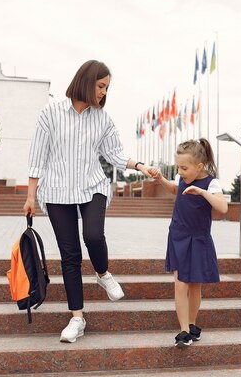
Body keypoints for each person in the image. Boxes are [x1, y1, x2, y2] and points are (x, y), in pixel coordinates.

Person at [24, 60, 153, 343]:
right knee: (70, 256)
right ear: (86, 81)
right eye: (101, 86)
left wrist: (140, 165)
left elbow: (115, 154)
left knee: (93, 236)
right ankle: (77, 318)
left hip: (93, 185)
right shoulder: (51, 113)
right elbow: (37, 156)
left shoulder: (102, 119)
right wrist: (31, 195)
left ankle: (103, 272)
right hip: (57, 192)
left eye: (107, 88)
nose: (104, 93)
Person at [149, 138, 228, 347]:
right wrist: (161, 179)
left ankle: (192, 325)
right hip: (178, 236)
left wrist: (202, 192)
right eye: (179, 167)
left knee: (195, 285)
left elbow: (223, 207)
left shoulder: (211, 183)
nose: (181, 171)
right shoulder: (182, 177)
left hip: (199, 238)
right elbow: (175, 189)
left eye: (184, 168)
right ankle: (183, 330)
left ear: (199, 166)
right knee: (180, 283)